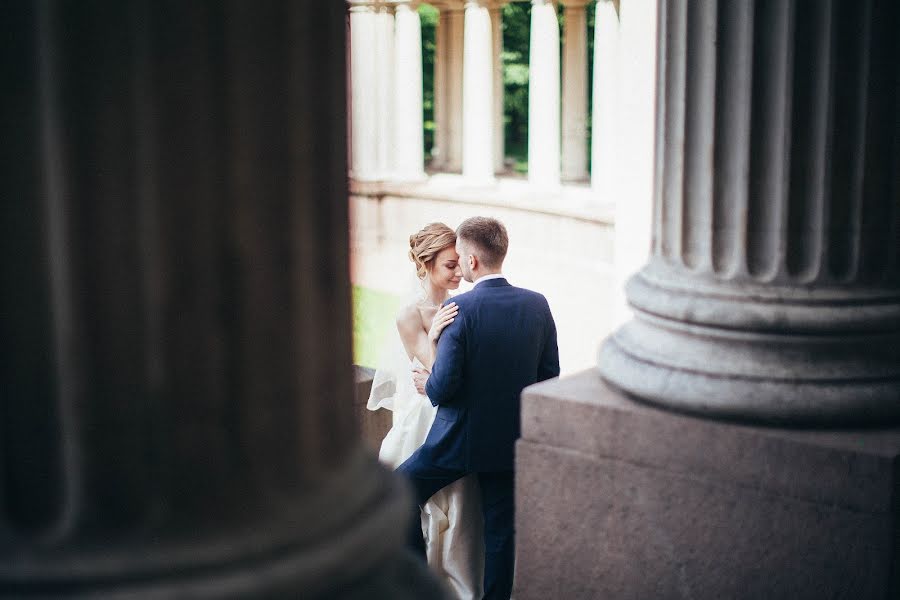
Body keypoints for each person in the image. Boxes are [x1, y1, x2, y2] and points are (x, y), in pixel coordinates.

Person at [398, 216, 560, 600]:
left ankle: (419, 585)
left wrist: (427, 384)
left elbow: (445, 385)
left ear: (471, 261)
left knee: (400, 489)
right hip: (510, 440)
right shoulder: (537, 304)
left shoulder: (461, 311)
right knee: (501, 530)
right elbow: (549, 375)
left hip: (459, 440)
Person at [367, 223, 484, 599]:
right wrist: (434, 336)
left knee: (463, 503)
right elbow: (437, 375)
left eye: (459, 264)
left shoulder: (465, 306)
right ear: (426, 264)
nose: (459, 273)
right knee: (420, 499)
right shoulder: (411, 315)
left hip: (456, 409)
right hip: (426, 412)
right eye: (450, 266)